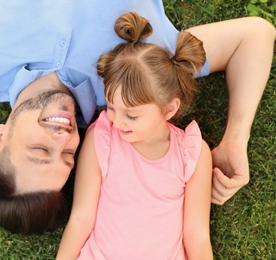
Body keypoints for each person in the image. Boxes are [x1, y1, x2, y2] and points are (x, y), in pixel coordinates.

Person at [0, 0, 276, 234]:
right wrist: (234, 139)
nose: (62, 138)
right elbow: (255, 36)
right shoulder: (130, 82)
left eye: (39, 151)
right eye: (68, 157)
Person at [57, 12, 213, 259]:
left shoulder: (191, 153)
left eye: (131, 115)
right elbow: (81, 217)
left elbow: (196, 234)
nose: (117, 121)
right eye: (110, 106)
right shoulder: (102, 137)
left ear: (169, 109)